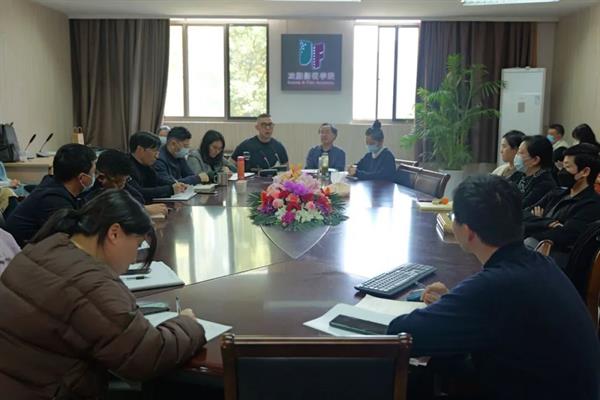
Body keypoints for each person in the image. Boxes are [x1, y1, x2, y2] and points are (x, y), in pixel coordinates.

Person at [387, 175, 600, 400]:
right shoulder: (539, 263)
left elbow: (402, 335)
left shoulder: (495, 286)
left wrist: (453, 309)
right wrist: (453, 307)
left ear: (467, 231)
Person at [0, 190, 206, 398]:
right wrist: (187, 324)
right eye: (137, 244)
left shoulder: (48, 246)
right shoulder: (90, 282)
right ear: (114, 233)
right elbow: (146, 357)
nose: (134, 258)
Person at [6, 144, 97, 247]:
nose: (96, 176)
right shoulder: (53, 200)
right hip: (21, 252)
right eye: (94, 172)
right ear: (82, 178)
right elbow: (73, 237)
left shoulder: (54, 185)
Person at [524, 144, 600, 254]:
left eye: (567, 167)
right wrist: (545, 222)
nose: (562, 171)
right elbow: (522, 215)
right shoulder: (556, 193)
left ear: (585, 172)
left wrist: (534, 223)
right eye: (562, 167)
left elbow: (563, 235)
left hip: (555, 257)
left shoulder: (592, 205)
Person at [87, 149, 168, 217]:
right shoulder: (90, 190)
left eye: (123, 181)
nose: (118, 187)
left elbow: (138, 198)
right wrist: (141, 210)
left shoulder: (123, 181)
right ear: (101, 177)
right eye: (116, 182)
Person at [129, 131, 187, 203]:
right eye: (154, 151)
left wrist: (174, 184)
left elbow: (158, 180)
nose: (157, 156)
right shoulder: (127, 167)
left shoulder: (146, 165)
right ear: (140, 149)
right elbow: (138, 192)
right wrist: (170, 189)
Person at [514, 135, 556, 208]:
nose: (517, 156)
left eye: (521, 153)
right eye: (518, 152)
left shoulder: (545, 184)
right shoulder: (519, 174)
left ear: (535, 160)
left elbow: (520, 207)